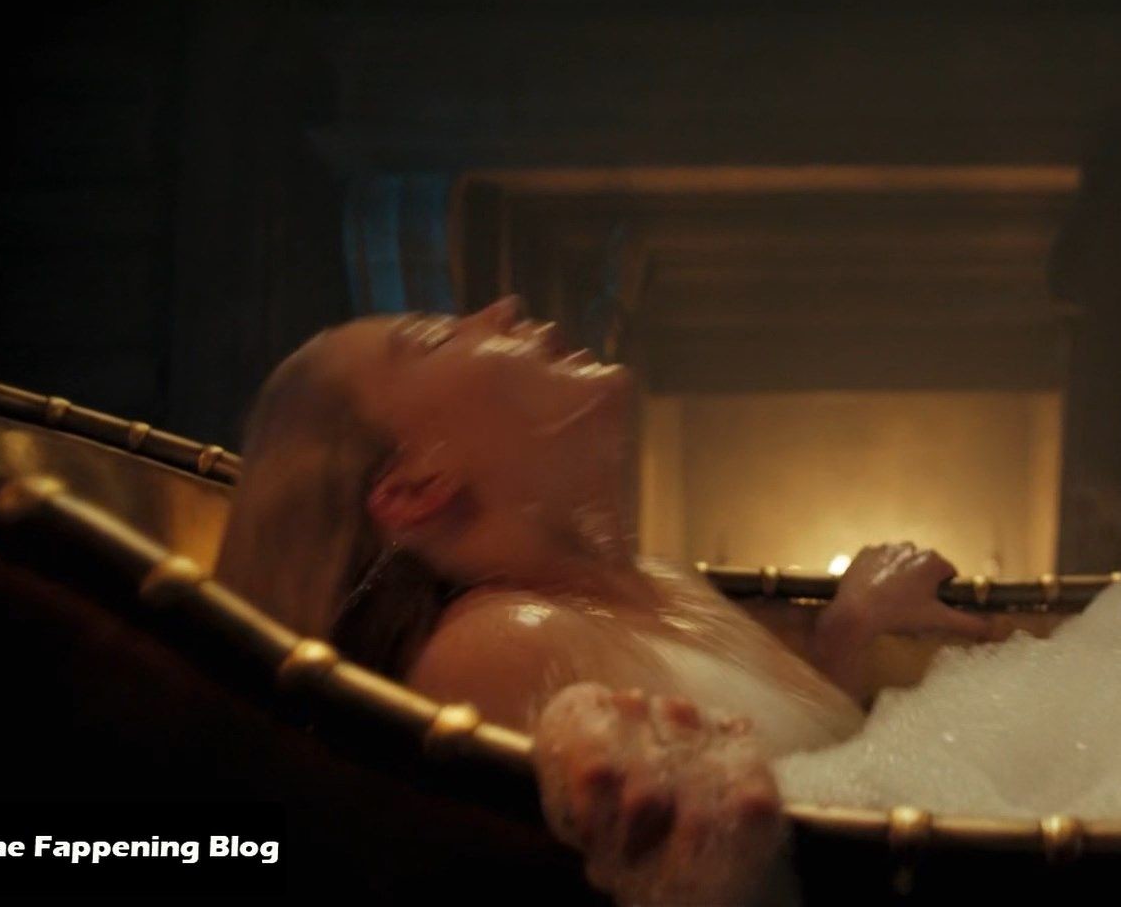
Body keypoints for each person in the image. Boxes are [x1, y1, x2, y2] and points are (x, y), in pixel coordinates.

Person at [215, 296, 991, 905]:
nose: (503, 309)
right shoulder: (503, 647)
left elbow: (802, 789)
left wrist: (849, 636)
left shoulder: (664, 587)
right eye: (436, 336)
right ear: (416, 486)